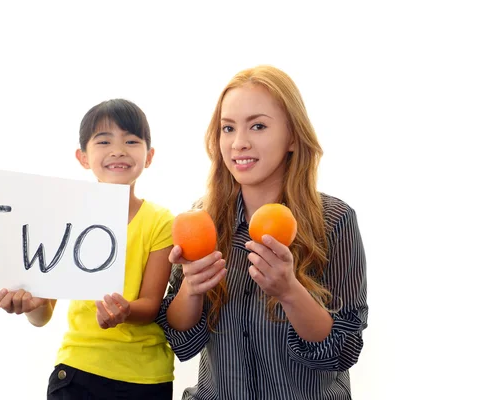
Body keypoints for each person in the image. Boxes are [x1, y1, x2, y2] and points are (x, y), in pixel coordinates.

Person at [156, 65, 368, 399]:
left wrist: (289, 291)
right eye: (228, 128)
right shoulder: (203, 220)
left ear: (293, 137)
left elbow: (342, 350)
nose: (239, 143)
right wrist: (191, 290)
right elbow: (182, 341)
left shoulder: (334, 220)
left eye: (258, 126)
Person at [0, 99, 175, 399]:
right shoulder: (66, 217)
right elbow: (43, 315)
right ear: (83, 157)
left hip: (145, 377)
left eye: (131, 140)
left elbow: (151, 305)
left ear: (150, 155)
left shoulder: (161, 221)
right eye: (104, 141)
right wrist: (29, 305)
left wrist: (125, 311)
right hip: (78, 371)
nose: (118, 150)